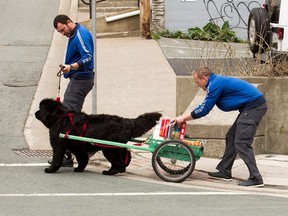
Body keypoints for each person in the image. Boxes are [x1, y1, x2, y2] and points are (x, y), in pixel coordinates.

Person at [173, 67, 267, 187]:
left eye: (197, 82)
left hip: (254, 107)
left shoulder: (215, 84)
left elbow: (204, 109)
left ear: (204, 78)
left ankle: (256, 178)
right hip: (249, 108)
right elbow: (204, 105)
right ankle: (225, 171)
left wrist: (183, 118)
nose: (197, 85)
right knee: (231, 136)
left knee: (242, 143)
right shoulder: (215, 82)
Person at [52, 14, 95, 166]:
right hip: (78, 79)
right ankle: (76, 151)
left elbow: (88, 57)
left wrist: (72, 66)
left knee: (66, 118)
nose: (63, 34)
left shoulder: (80, 35)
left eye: (63, 30)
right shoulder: (75, 33)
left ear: (69, 22)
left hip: (81, 80)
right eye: (60, 33)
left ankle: (74, 153)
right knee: (70, 118)